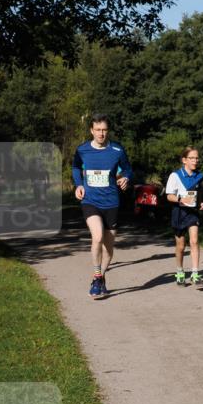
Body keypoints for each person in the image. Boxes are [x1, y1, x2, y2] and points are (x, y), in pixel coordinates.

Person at [72, 115, 132, 300]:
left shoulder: (117, 150)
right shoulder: (82, 150)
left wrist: (125, 178)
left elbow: (127, 168)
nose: (101, 133)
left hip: (111, 202)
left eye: (104, 129)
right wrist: (79, 185)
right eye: (98, 130)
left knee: (109, 248)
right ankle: (97, 277)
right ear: (91, 130)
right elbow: (75, 168)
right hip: (90, 201)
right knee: (97, 236)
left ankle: (101, 277)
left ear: (108, 130)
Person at [165, 147, 203, 287]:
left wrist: (201, 203)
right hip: (179, 213)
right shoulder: (175, 176)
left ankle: (195, 274)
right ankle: (180, 272)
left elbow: (198, 195)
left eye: (197, 158)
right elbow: (169, 196)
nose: (195, 160)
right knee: (181, 246)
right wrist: (181, 199)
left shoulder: (199, 176)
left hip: (193, 213)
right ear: (184, 160)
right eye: (192, 158)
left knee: (194, 241)